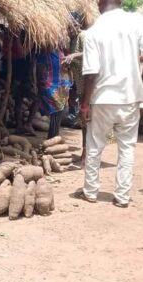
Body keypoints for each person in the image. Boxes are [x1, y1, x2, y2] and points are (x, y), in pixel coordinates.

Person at [78, 0, 143, 208]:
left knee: (95, 145)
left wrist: (85, 104)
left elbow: (91, 73)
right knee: (127, 147)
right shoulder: (136, 22)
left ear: (101, 2)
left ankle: (90, 191)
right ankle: (122, 197)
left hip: (103, 98)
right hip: (131, 96)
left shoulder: (94, 31)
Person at [0, 27, 39, 135]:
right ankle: (22, 125)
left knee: (31, 99)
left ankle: (25, 124)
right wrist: (14, 39)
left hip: (25, 74)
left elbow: (23, 53)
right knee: (21, 99)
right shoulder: (10, 38)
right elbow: (8, 53)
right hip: (18, 74)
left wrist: (16, 39)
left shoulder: (29, 40)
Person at [64, 12, 87, 163]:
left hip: (88, 84)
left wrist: (73, 56)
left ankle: (87, 153)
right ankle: (86, 152)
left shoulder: (84, 36)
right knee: (84, 119)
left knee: (86, 118)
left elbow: (89, 53)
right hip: (79, 84)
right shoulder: (72, 39)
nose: (68, 30)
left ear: (77, 25)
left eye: (70, 27)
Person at [36, 49, 72, 139]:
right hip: (50, 84)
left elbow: (66, 67)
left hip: (62, 84)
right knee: (56, 108)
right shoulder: (43, 53)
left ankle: (53, 137)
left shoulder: (60, 52)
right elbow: (40, 69)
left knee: (58, 110)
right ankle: (53, 137)